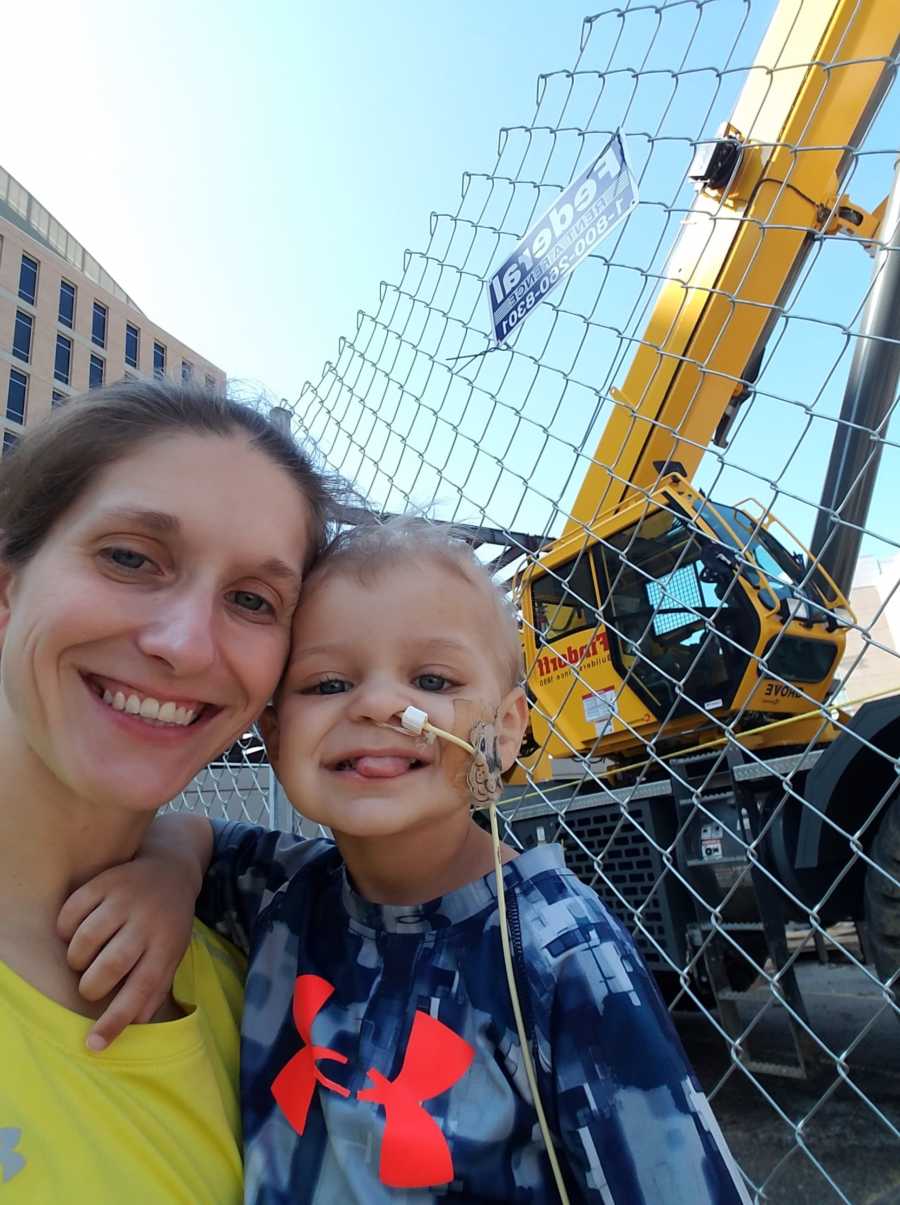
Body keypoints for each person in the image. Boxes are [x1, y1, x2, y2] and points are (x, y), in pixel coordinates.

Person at [66, 518, 751, 1204]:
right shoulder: (282, 889)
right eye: (328, 683)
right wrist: (166, 870)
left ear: (506, 732)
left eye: (431, 677)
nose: (380, 704)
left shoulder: (559, 951)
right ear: (273, 736)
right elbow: (195, 833)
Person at [0, 379, 334, 1202]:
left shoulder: (269, 975)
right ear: (9, 587)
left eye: (253, 600)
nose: (185, 644)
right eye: (129, 557)